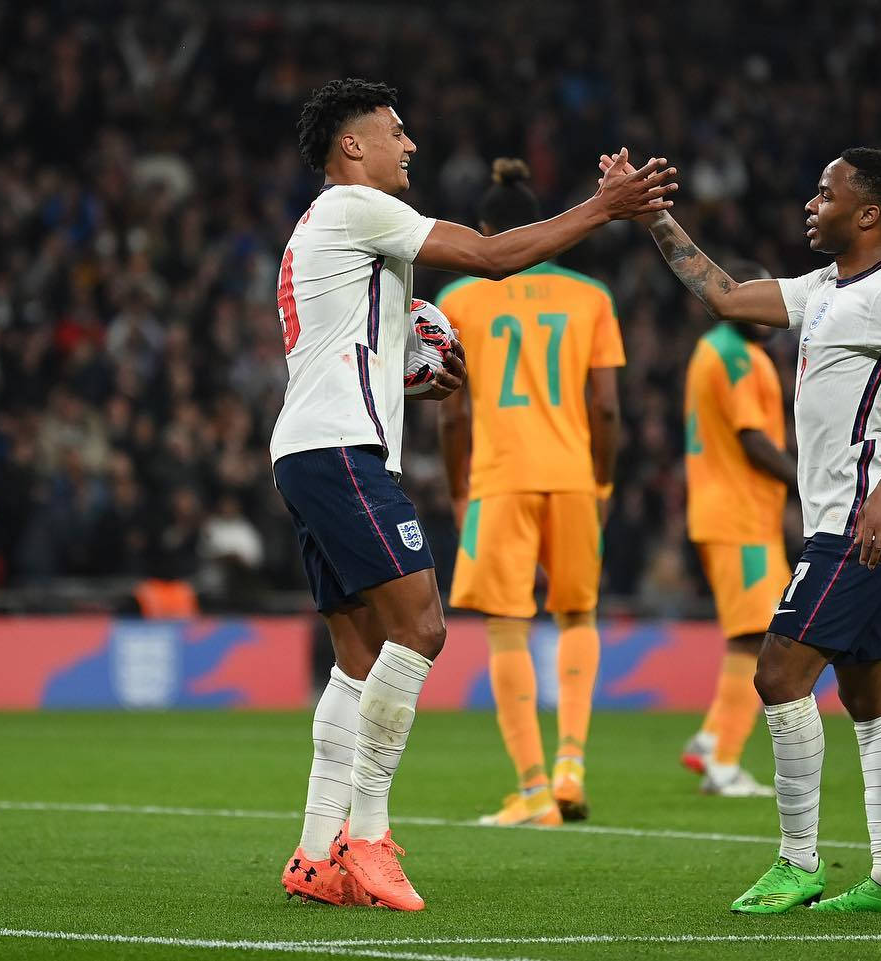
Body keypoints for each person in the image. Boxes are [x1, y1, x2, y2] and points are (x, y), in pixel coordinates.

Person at [273, 79, 675, 911]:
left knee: (357, 659)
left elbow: (342, 350)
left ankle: (317, 853)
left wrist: (411, 382)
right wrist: (603, 207)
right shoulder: (355, 209)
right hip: (343, 451)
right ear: (352, 147)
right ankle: (369, 836)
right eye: (395, 129)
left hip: (316, 448)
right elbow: (492, 258)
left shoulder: (329, 229)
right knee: (421, 625)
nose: (410, 142)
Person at [609, 146, 881, 914]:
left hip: (865, 520)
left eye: (826, 193)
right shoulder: (827, 288)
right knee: (870, 695)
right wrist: (651, 214)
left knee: (777, 673)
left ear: (868, 214)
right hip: (847, 517)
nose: (811, 202)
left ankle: (799, 860)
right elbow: (725, 296)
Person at [436, 158, 624, 827]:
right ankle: (572, 763)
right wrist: (600, 481)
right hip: (573, 475)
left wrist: (459, 489)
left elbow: (451, 412)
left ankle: (535, 790)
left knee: (506, 628)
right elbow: (605, 408)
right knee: (578, 617)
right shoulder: (591, 296)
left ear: (488, 230)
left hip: (499, 478)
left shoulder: (459, 299)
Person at [678, 258, 793, 799]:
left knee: (750, 633)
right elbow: (752, 439)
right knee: (759, 636)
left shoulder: (711, 350)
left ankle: (710, 740)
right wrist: (808, 482)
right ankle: (724, 762)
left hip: (723, 510)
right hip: (741, 515)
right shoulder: (741, 357)